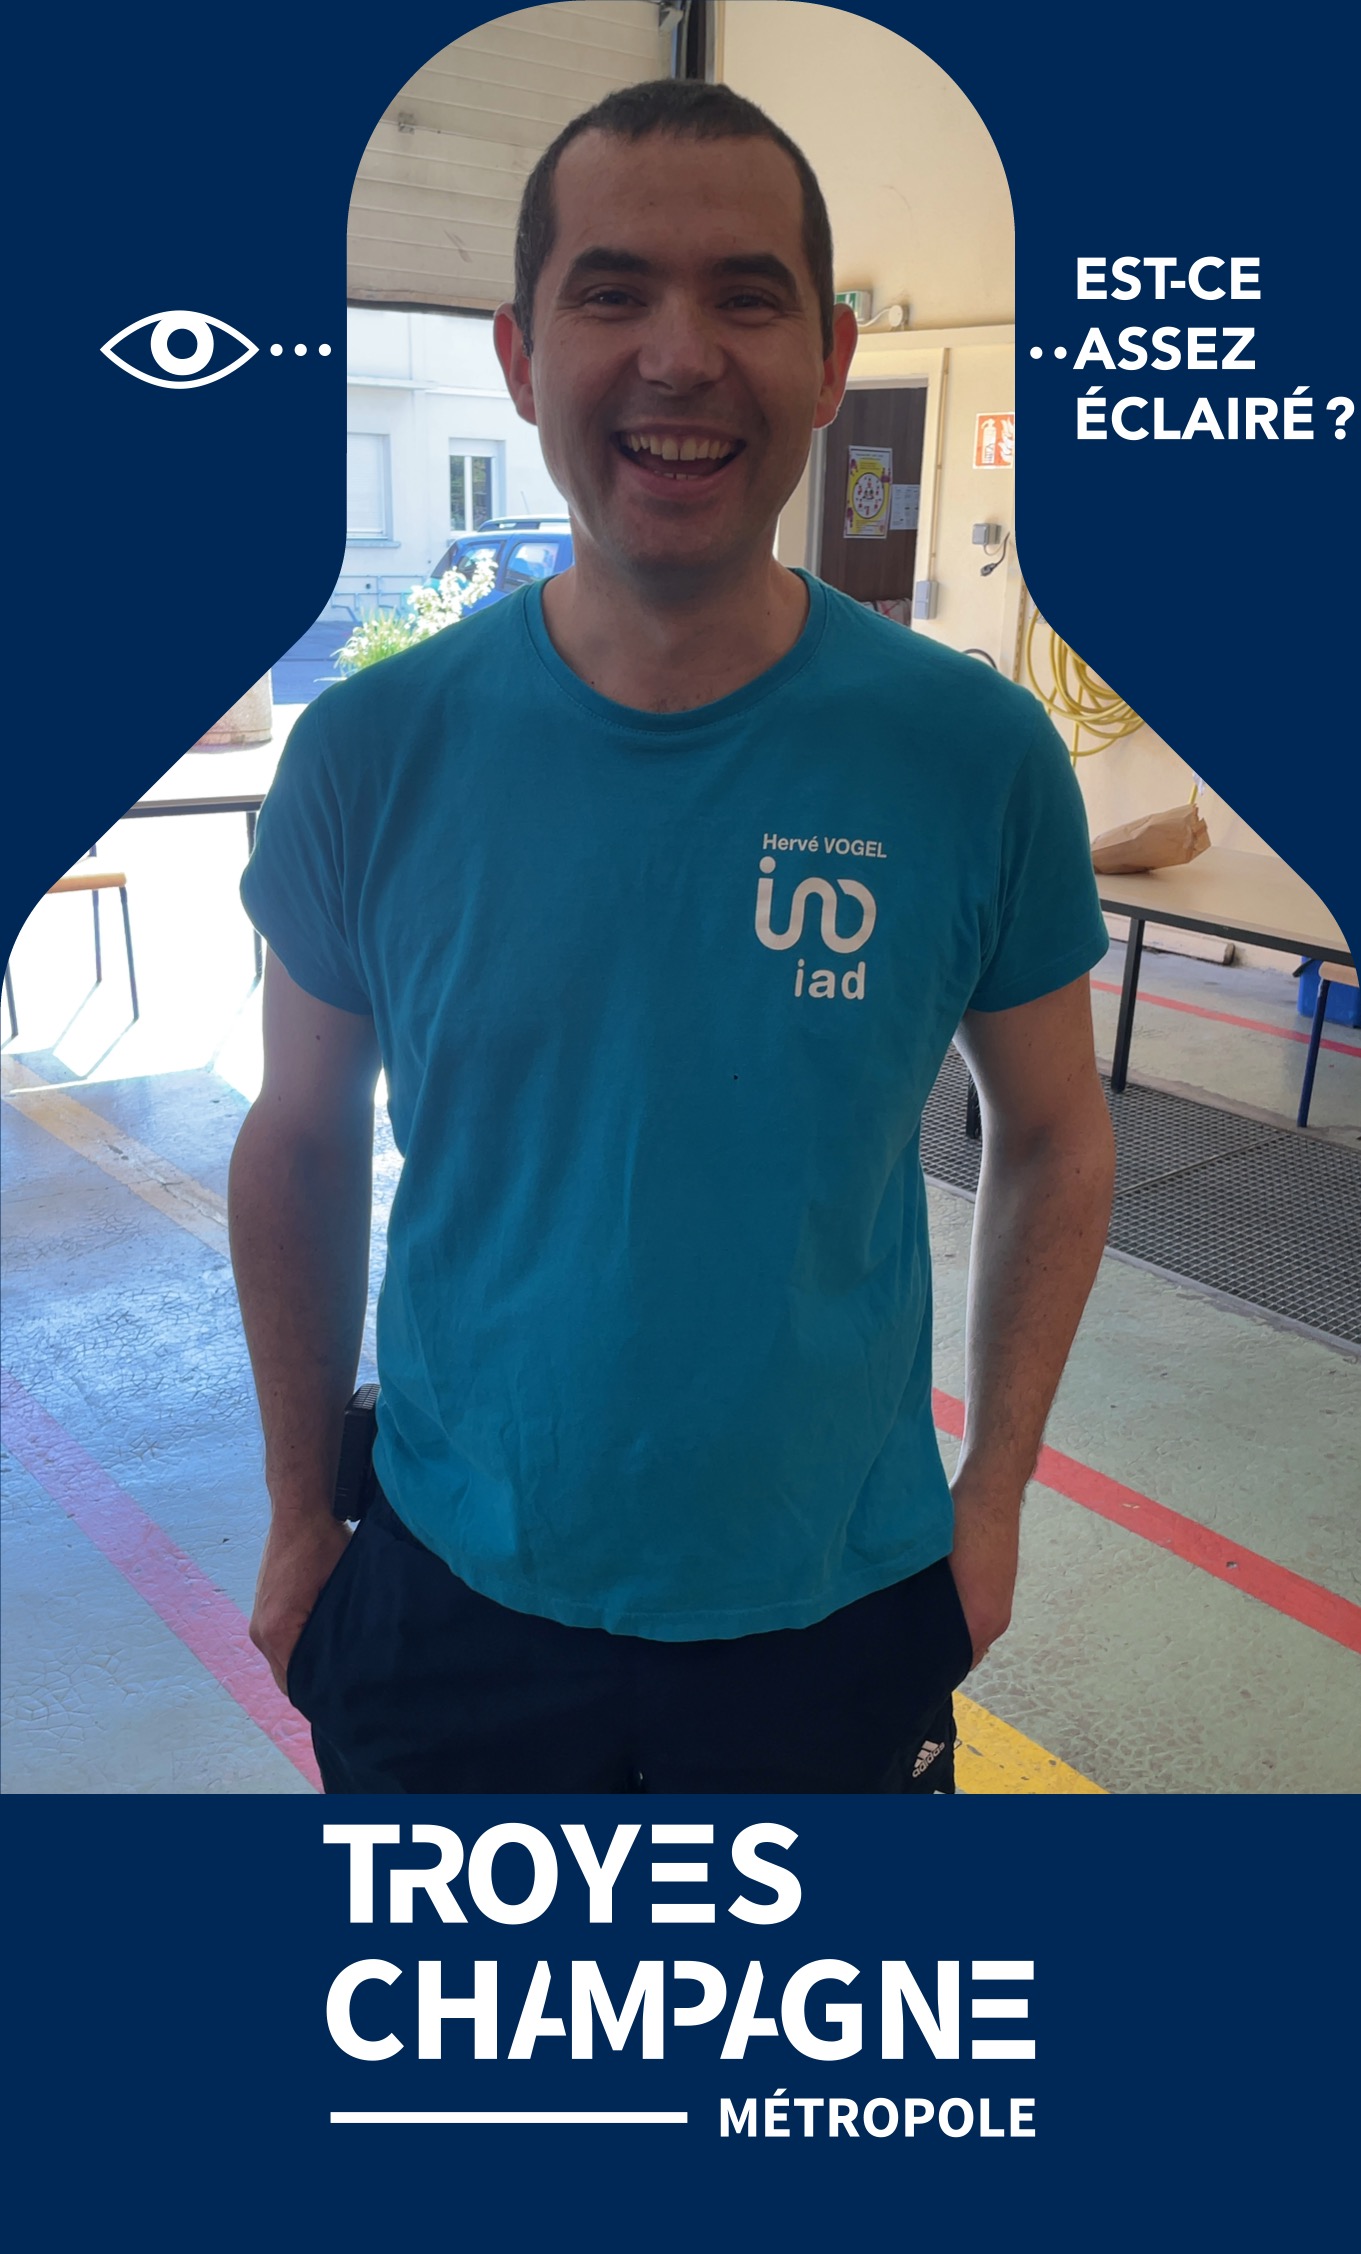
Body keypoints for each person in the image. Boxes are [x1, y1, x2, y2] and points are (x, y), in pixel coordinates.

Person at [229, 78, 1116, 1793]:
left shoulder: (969, 754)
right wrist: (289, 1512)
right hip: (448, 1594)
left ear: (830, 357)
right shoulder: (370, 752)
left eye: (746, 296)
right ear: (518, 356)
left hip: (832, 1607)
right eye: (613, 291)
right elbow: (299, 1138)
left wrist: (993, 1495)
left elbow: (1058, 1133)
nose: (679, 354)